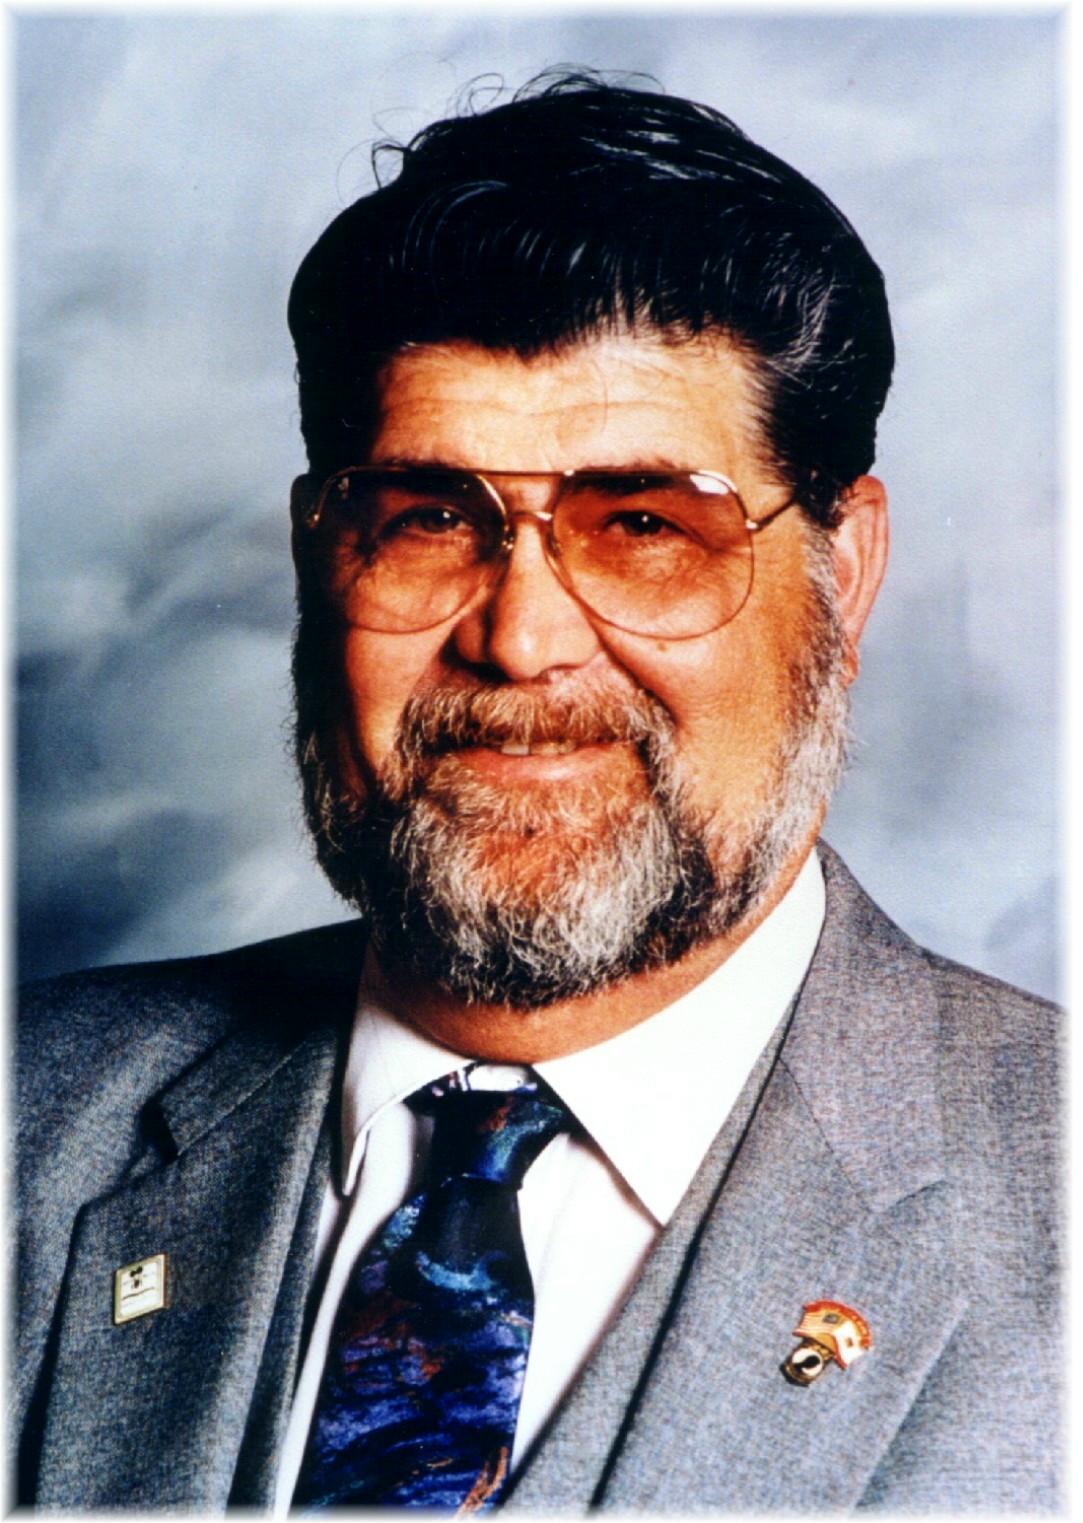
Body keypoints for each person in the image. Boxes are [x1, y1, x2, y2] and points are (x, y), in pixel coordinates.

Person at [15, 74, 1060, 1512]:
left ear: (845, 571)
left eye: (643, 524)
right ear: (323, 560)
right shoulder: (30, 1119)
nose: (520, 639)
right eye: (430, 519)